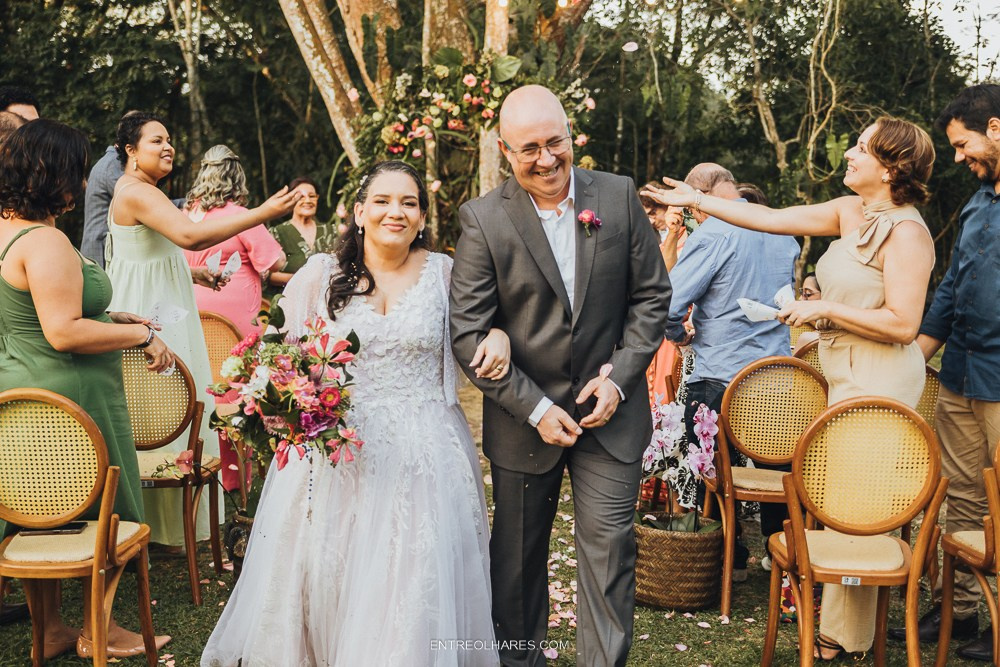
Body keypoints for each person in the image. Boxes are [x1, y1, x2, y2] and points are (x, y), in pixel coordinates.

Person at [642, 115, 936, 661]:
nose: (849, 153)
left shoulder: (910, 233)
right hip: (841, 375)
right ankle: (844, 636)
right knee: (842, 504)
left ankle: (843, 638)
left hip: (879, 381)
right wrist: (698, 203)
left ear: (891, 166)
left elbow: (902, 323)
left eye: (862, 148)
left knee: (861, 508)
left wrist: (822, 308)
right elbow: (770, 218)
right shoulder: (851, 211)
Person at [202, 160, 506, 666]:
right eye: (383, 201)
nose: (397, 212)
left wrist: (498, 334)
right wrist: (282, 402)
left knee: (414, 569)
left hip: (426, 449)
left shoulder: (445, 274)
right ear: (359, 212)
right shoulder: (321, 274)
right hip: (338, 445)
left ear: (423, 217)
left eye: (409, 203)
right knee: (327, 564)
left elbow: (484, 327)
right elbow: (283, 355)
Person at [451, 84, 671, 666]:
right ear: (504, 150)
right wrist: (537, 408)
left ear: (571, 136)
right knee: (518, 562)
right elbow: (469, 332)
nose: (546, 159)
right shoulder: (482, 219)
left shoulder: (619, 197)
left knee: (609, 556)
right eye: (530, 149)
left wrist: (619, 378)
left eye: (556, 143)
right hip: (524, 425)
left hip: (611, 417)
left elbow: (652, 298)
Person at [0, 119, 172, 659]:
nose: (84, 183)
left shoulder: (4, 230)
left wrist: (111, 312)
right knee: (102, 512)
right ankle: (101, 629)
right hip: (73, 396)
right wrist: (139, 333)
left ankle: (49, 629)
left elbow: (35, 312)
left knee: (43, 513)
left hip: (24, 392)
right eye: (78, 170)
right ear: (54, 174)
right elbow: (64, 330)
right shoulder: (45, 239)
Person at [105, 112, 299, 547]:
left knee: (168, 405)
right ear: (130, 151)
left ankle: (168, 524)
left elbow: (147, 253)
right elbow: (191, 239)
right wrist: (260, 213)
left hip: (156, 297)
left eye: (169, 139)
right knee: (163, 407)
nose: (168, 146)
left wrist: (195, 277)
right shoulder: (138, 192)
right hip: (151, 314)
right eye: (157, 141)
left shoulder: (142, 192)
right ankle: (165, 527)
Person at [888, 83, 1000, 662]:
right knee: (957, 493)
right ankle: (957, 609)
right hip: (959, 371)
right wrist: (918, 350)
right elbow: (954, 284)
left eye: (963, 144)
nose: (958, 157)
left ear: (997, 129)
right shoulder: (981, 200)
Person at [656, 163, 800, 574]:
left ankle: (728, 554)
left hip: (720, 375)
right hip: (776, 374)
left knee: (713, 469)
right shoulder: (782, 231)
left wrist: (677, 335)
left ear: (699, 199)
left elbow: (668, 301)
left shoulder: (715, 232)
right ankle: (779, 554)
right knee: (777, 466)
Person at [183, 145, 285, 335]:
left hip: (193, 311)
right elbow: (277, 262)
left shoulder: (184, 215)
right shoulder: (239, 217)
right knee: (240, 362)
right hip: (235, 314)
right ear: (238, 178)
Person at [265, 177, 337, 297]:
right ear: (291, 199)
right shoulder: (277, 233)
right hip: (287, 301)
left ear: (317, 198)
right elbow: (268, 275)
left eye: (312, 196)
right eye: (301, 197)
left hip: (325, 302)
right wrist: (303, 281)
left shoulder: (330, 231)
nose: (307, 200)